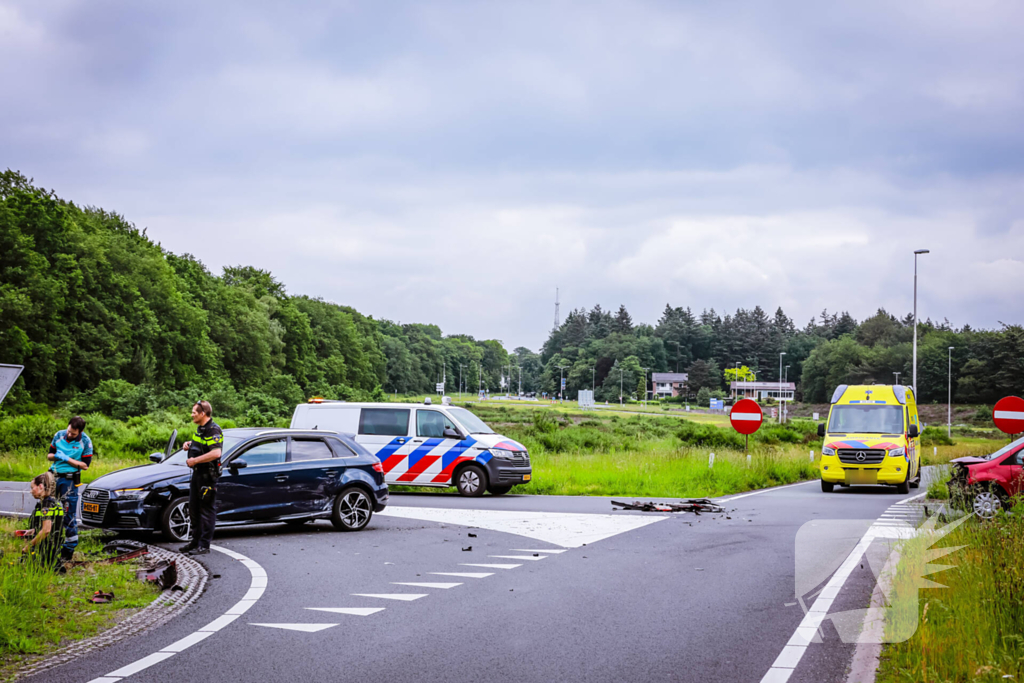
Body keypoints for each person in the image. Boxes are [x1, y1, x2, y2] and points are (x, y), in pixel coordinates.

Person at [46, 416, 92, 563]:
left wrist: (67, 459)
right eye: (69, 431)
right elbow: (49, 455)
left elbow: (85, 465)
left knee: (68, 514)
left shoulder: (85, 442)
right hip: (53, 476)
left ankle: (68, 550)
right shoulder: (59, 435)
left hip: (69, 480)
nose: (70, 434)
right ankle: (48, 544)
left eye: (73, 433)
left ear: (80, 432)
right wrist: (57, 456)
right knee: (48, 510)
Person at [179, 401, 223, 556]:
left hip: (207, 477)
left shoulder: (214, 430)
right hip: (197, 475)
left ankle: (204, 545)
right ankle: (195, 542)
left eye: (194, 412)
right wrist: (189, 444)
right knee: (194, 509)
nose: (192, 415)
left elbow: (216, 452)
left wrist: (195, 460)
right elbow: (202, 445)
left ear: (203, 413)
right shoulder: (201, 429)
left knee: (206, 511)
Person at [23, 472, 66, 571]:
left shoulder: (46, 505)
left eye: (32, 488)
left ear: (40, 487)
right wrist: (34, 530)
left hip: (48, 546)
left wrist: (28, 547)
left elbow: (46, 530)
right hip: (54, 544)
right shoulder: (53, 502)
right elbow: (53, 525)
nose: (31, 491)